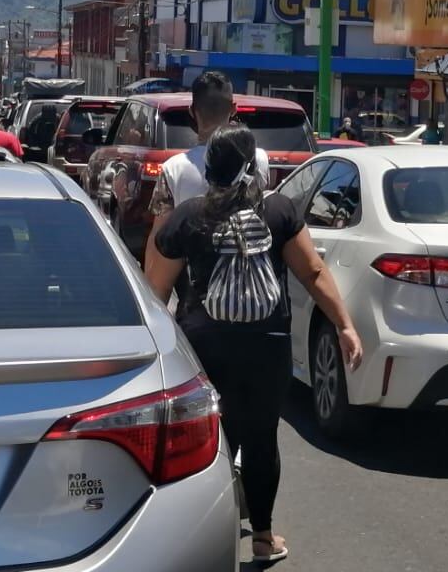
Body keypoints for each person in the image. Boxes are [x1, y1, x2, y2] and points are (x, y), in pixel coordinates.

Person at [147, 125, 362, 564]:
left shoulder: (187, 217)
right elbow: (314, 273)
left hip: (204, 346)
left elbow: (158, 291)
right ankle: (262, 537)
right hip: (267, 345)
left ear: (210, 168)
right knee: (262, 439)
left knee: (211, 441)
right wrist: (344, 325)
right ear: (253, 168)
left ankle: (209, 535)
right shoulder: (278, 211)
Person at [145, 71, 270, 272]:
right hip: (247, 280)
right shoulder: (259, 160)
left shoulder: (173, 169)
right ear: (234, 109)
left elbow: (159, 239)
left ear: (192, 111)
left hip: (193, 287)